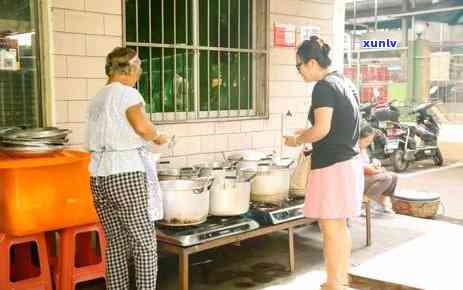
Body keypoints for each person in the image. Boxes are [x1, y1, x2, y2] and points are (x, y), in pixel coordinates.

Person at [284, 36, 363, 290]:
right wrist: (306, 132)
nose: (299, 72)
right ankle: (340, 281)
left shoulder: (323, 87)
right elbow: (338, 125)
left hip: (332, 167)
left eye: (299, 66)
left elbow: (321, 130)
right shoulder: (344, 82)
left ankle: (334, 284)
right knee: (339, 227)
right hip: (349, 163)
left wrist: (297, 139)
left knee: (330, 228)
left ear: (310, 62)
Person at [86, 47, 168, 290]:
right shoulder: (127, 94)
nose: (140, 72)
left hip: (99, 176)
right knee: (145, 244)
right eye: (139, 67)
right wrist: (159, 137)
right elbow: (142, 127)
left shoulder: (98, 98)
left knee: (116, 243)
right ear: (130, 69)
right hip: (124, 174)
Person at [359, 124, 397, 214]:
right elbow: (363, 167)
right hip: (358, 178)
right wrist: (377, 170)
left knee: (394, 176)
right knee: (386, 177)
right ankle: (364, 205)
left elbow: (370, 162)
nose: (368, 143)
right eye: (366, 141)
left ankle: (382, 204)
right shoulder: (353, 149)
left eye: (370, 141)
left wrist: (376, 162)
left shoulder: (365, 149)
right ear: (359, 138)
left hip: (367, 174)